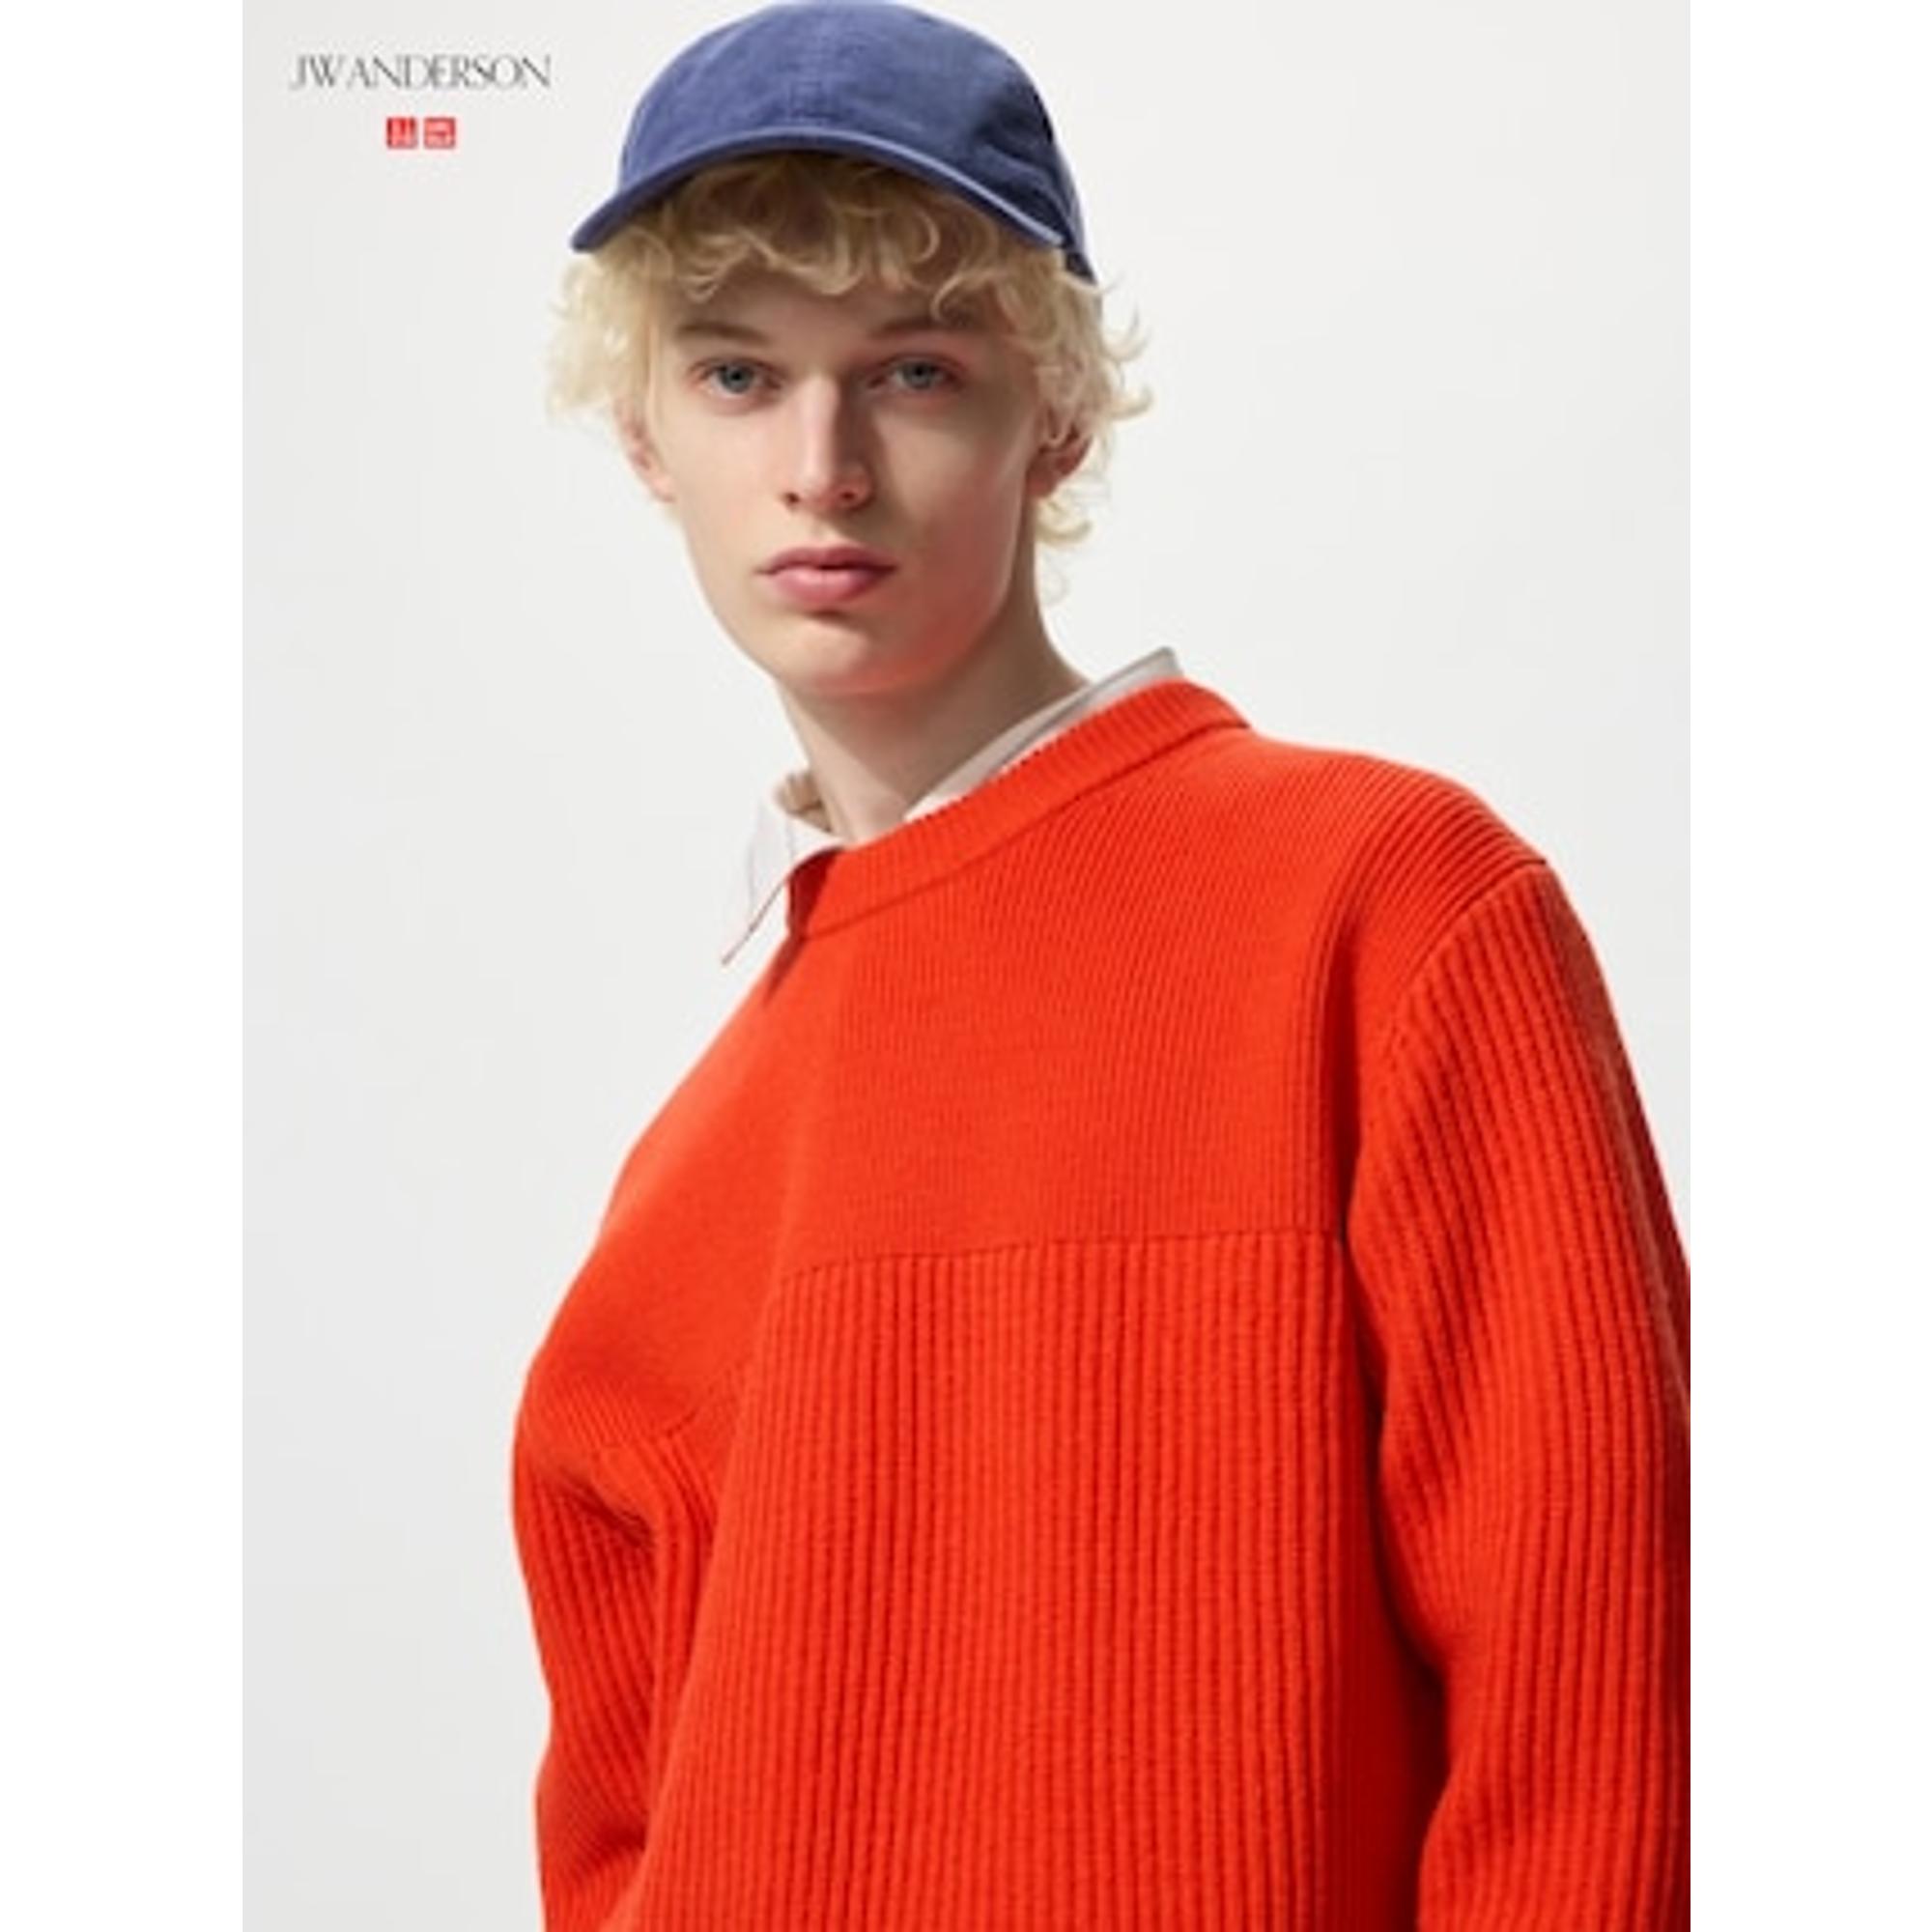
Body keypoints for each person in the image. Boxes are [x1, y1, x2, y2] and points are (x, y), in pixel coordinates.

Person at [511, 4, 1690, 1927]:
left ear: (1051, 416)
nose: (822, 466)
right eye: (737, 375)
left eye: (913, 370)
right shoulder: (683, 1176)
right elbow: (626, 1847)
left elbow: (1603, 1688)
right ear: (646, 436)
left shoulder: (1386, 906)